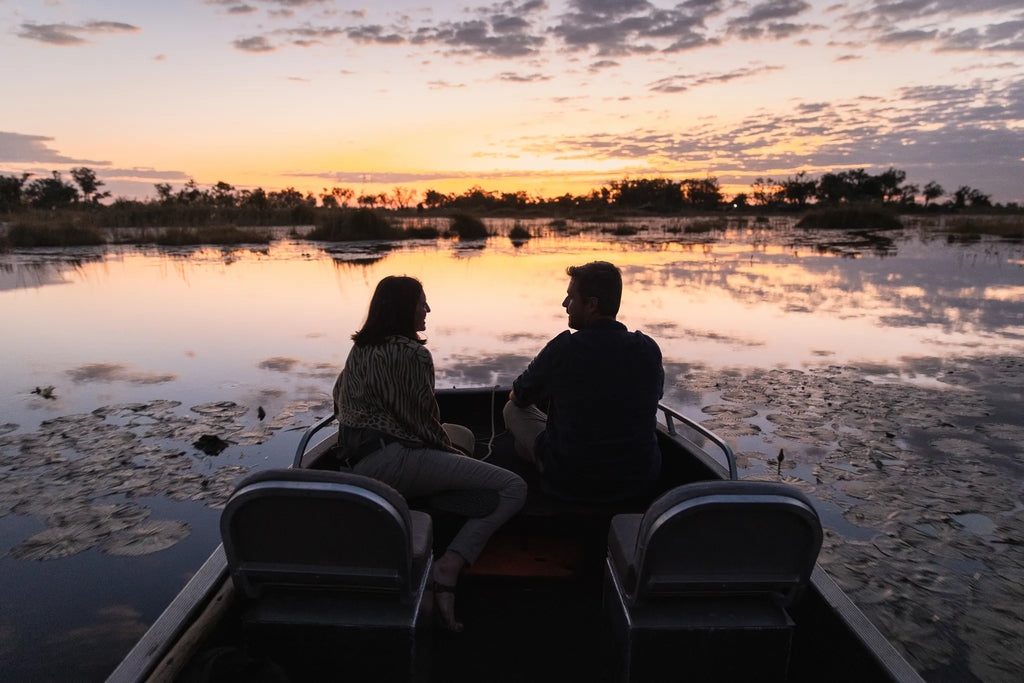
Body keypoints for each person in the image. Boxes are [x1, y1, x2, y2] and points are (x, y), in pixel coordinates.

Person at [333, 275, 527, 632]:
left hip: (356, 459)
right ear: (404, 308)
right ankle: (448, 565)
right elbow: (423, 424)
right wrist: (458, 457)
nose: (428, 309)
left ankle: (435, 494)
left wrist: (451, 449)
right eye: (422, 302)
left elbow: (339, 400)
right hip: (392, 462)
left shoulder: (359, 348)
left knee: (464, 434)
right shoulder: (412, 353)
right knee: (512, 486)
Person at [503, 261, 664, 503]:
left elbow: (519, 396)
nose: (564, 305)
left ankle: (537, 464)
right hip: (639, 482)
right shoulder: (648, 348)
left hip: (571, 482)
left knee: (512, 411)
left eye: (570, 297)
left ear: (591, 304)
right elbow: (654, 397)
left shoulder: (564, 348)